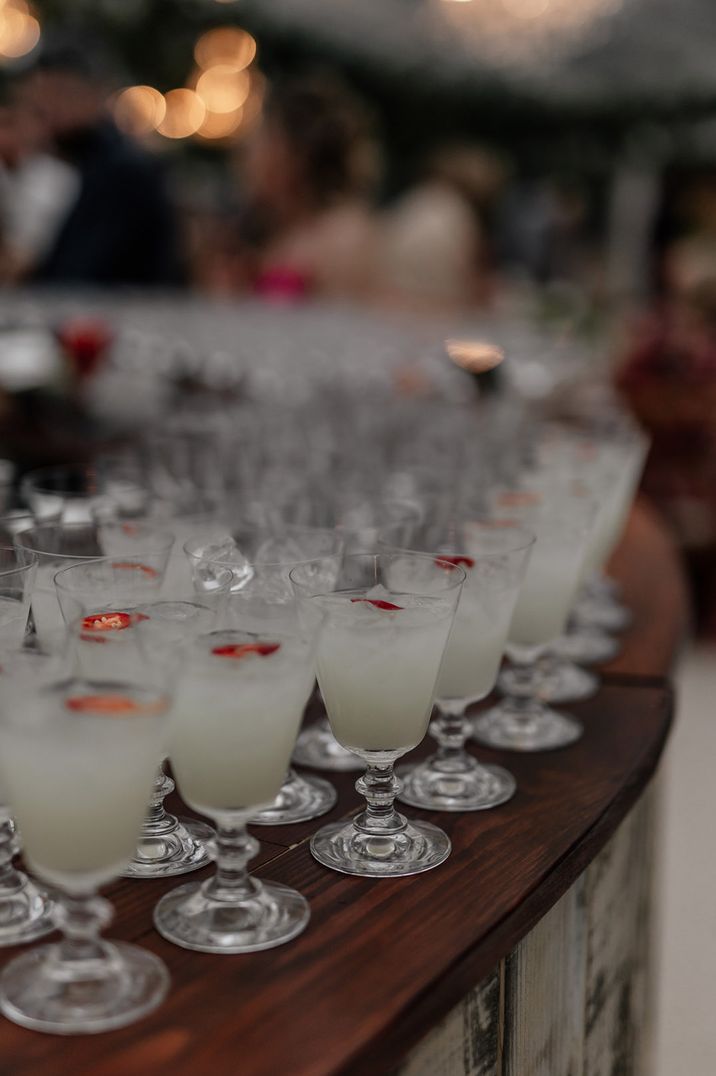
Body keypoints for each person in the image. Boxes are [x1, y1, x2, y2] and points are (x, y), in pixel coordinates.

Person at [20, 43, 182, 287]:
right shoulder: (77, 164)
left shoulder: (123, 173)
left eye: (59, 94)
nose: (50, 110)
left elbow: (78, 277)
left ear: (94, 95)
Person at [236, 74, 380, 301]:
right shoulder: (279, 229)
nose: (247, 156)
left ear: (293, 155)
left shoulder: (343, 238)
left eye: (262, 140)